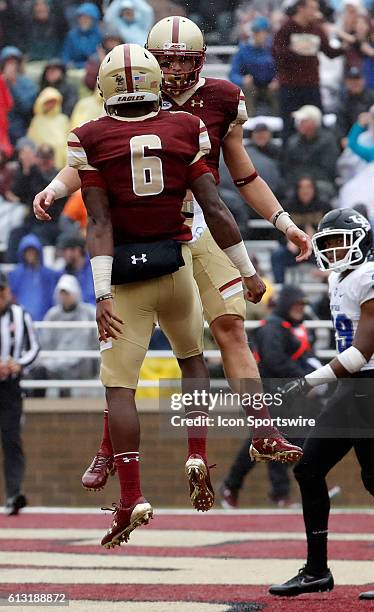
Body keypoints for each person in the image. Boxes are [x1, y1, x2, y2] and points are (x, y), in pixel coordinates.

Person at [33, 17, 310, 491]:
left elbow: (242, 175)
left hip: (202, 224)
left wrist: (284, 223)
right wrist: (57, 186)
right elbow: (95, 156)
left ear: (201, 61)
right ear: (149, 61)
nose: (177, 68)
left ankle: (263, 429)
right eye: (168, 59)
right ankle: (108, 449)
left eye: (186, 59)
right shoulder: (137, 92)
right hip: (152, 233)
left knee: (232, 328)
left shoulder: (221, 98)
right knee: (128, 355)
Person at [68, 43, 271, 548]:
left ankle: (131, 494)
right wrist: (246, 272)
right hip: (176, 264)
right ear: (157, 80)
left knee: (120, 389)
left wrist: (101, 295)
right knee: (193, 358)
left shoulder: (90, 138)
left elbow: (98, 222)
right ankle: (197, 451)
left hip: (125, 276)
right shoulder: (186, 128)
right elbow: (217, 209)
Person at [269, 208, 374, 600]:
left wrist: (305, 382)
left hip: (373, 387)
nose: (332, 250)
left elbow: (361, 353)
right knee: (309, 470)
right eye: (326, 243)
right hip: (352, 390)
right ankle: (316, 571)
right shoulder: (339, 279)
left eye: (338, 241)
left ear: (361, 240)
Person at [221, 286, 320, 509]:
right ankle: (275, 493)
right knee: (273, 443)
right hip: (268, 395)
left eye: (303, 306)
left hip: (282, 396)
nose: (300, 309)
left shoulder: (288, 328)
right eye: (296, 304)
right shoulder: (273, 328)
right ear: (285, 304)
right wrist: (305, 379)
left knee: (285, 442)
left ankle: (236, 486)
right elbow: (275, 362)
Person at [273, 0, 345, 140]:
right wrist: (294, 51)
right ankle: (289, 158)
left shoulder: (316, 29)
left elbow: (329, 52)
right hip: (290, 85)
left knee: (319, 121)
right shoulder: (286, 28)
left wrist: (345, 47)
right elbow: (276, 53)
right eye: (312, 8)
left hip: (311, 84)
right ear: (301, 8)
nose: (315, 12)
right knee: (289, 124)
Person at [0, 272, 40, 515]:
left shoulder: (20, 314)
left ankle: (14, 494)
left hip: (10, 387)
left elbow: (34, 347)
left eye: (2, 291)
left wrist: (19, 363)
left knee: (11, 439)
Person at [27, 274, 97, 396]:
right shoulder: (52, 315)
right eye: (62, 293)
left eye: (68, 293)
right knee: (37, 371)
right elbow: (45, 343)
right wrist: (54, 360)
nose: (65, 297)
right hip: (55, 363)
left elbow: (94, 343)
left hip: (82, 364)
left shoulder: (89, 313)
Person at [283, 105, 339, 197]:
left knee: (321, 191)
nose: (299, 124)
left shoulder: (328, 140)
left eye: (303, 121)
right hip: (297, 182)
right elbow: (288, 167)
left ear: (314, 123)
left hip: (321, 182)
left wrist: (308, 182)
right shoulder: (293, 142)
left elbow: (329, 168)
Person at [229, 15, 278, 117]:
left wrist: (277, 80)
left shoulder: (274, 49)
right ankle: (248, 122)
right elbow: (233, 73)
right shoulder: (244, 49)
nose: (257, 35)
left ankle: (278, 121)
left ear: (266, 33)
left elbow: (282, 69)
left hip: (270, 87)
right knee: (246, 90)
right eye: (255, 32)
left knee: (279, 90)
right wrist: (242, 80)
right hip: (252, 86)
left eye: (259, 32)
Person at [9, 234, 61, 321]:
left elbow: (53, 296)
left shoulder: (49, 274)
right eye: (27, 251)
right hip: (21, 319)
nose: (30, 254)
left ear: (38, 252)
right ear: (23, 253)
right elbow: (12, 296)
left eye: (33, 251)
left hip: (45, 320)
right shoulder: (15, 274)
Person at [0, 46, 38, 144]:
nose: (10, 67)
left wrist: (12, 85)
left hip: (20, 130)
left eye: (13, 63)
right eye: (7, 63)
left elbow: (27, 109)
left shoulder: (27, 83)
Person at [27, 87, 70, 170]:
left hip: (59, 164)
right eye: (48, 102)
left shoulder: (63, 119)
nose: (51, 104)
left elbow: (69, 140)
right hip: (40, 163)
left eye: (53, 102)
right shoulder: (37, 120)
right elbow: (31, 141)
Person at [56, 234, 94, 305]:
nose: (62, 254)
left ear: (77, 250)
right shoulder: (64, 272)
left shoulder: (94, 267)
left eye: (65, 250)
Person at [61, 2, 102, 68]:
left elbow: (97, 58)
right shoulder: (72, 35)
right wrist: (66, 63)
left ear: (94, 19)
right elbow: (65, 54)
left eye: (86, 18)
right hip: (72, 70)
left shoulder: (100, 35)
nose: (83, 21)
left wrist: (79, 65)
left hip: (92, 71)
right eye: (81, 18)